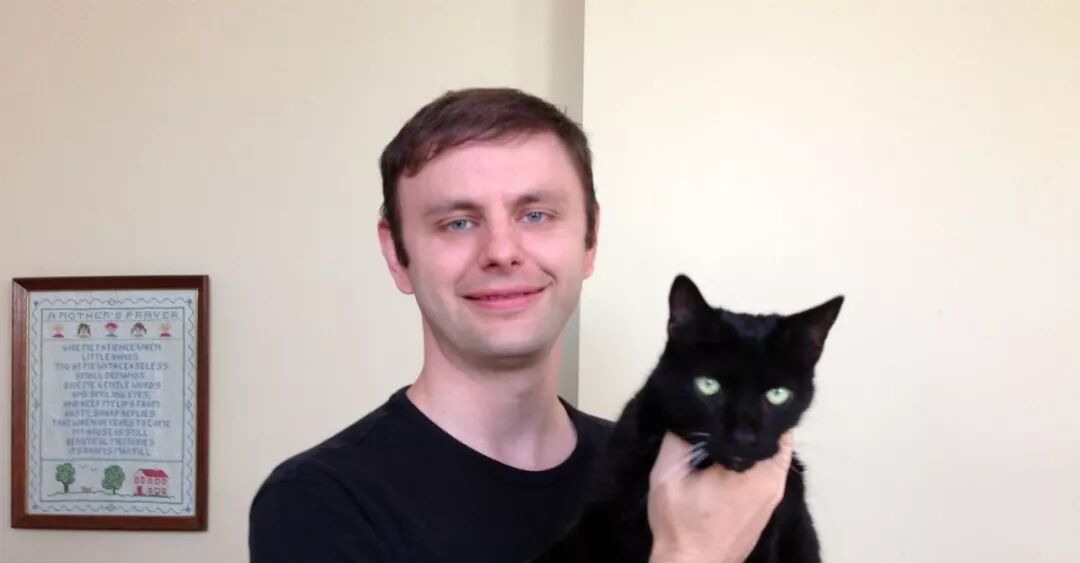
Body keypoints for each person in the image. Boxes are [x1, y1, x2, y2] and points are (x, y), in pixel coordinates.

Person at [249, 88, 792, 563]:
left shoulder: (668, 469)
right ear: (397, 254)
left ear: (590, 239)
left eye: (536, 215)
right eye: (457, 222)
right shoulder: (318, 502)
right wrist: (691, 555)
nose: (502, 251)